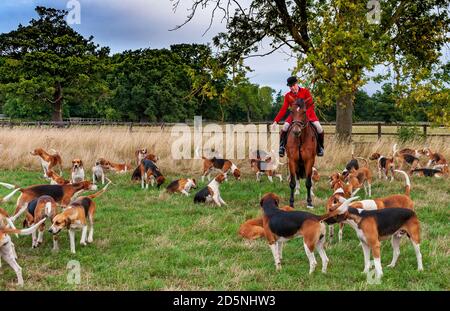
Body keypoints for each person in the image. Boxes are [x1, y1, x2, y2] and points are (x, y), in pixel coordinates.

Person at [271, 76, 324, 157]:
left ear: (297, 84)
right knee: (284, 127)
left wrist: (306, 116)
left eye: (293, 85)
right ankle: (282, 147)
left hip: (308, 115)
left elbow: (311, 105)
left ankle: (320, 147)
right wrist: (275, 121)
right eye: (290, 86)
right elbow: (283, 109)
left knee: (319, 128)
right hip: (294, 116)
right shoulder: (288, 96)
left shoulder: (305, 92)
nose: (292, 88)